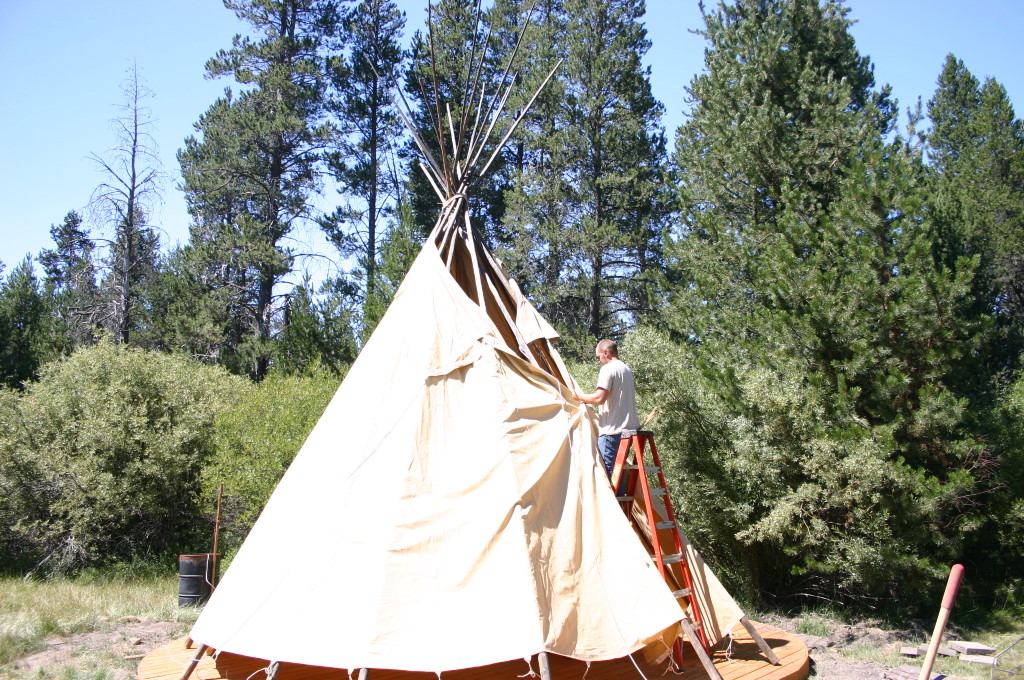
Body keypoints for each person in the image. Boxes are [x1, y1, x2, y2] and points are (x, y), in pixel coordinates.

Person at [573, 339, 640, 477]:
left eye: (599, 357)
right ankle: (620, 499)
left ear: (606, 352)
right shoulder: (626, 369)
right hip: (628, 430)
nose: (599, 361)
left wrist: (579, 396)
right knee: (618, 474)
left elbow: (599, 398)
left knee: (606, 477)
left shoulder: (608, 369)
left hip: (612, 431)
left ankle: (610, 500)